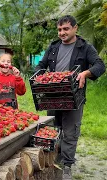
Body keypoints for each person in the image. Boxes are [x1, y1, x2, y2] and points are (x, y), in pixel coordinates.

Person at [35, 15, 105, 180]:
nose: (62, 32)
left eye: (65, 29)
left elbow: (100, 66)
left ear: (75, 28)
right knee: (54, 128)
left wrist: (85, 73)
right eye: (59, 29)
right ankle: (55, 160)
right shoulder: (53, 47)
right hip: (53, 95)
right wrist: (39, 75)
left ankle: (67, 166)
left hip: (74, 96)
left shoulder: (84, 47)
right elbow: (40, 65)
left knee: (71, 131)